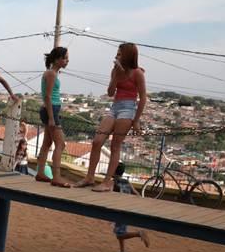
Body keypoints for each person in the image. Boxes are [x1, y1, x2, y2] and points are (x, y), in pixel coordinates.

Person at [75, 42, 147, 192]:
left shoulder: (137, 73)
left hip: (128, 108)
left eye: (120, 54)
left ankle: (107, 182)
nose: (116, 56)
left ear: (127, 55)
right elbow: (110, 92)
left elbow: (143, 98)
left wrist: (136, 121)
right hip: (115, 107)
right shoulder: (115, 71)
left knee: (115, 146)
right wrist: (116, 75)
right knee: (97, 142)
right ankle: (90, 177)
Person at [35, 47, 71, 188]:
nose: (67, 61)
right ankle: (56, 177)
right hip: (51, 110)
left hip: (50, 110)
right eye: (65, 58)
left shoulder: (53, 73)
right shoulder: (51, 74)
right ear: (57, 59)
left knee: (47, 144)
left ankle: (41, 172)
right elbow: (48, 96)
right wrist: (51, 117)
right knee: (60, 144)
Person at [111, 162, 150, 252]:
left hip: (119, 211)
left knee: (120, 234)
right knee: (120, 232)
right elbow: (136, 194)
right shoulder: (126, 182)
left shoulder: (113, 183)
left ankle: (139, 234)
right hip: (127, 209)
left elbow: (109, 195)